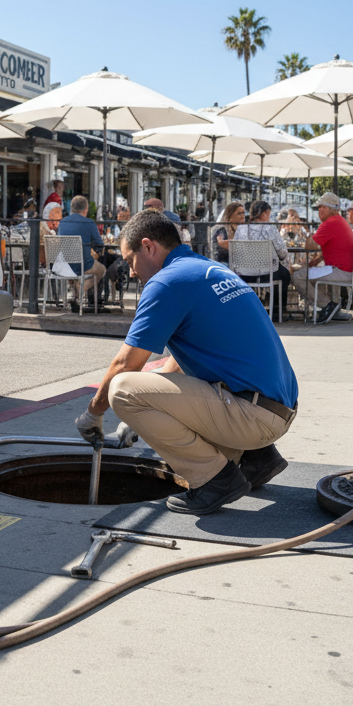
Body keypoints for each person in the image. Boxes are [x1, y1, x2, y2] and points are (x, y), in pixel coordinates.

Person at [74, 210, 298, 514]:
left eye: (130, 260)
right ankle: (256, 458)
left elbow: (125, 365)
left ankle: (216, 480)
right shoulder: (208, 269)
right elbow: (181, 363)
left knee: (123, 390)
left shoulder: (166, 283)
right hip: (276, 409)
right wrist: (143, 415)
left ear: (148, 246)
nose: (131, 272)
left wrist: (93, 413)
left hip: (253, 417)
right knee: (141, 390)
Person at [290, 192, 353, 323]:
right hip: (349, 270)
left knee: (297, 276)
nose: (319, 211)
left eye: (322, 207)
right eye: (319, 208)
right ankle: (332, 309)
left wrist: (306, 231)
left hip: (342, 271)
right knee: (311, 273)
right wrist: (318, 259)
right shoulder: (339, 221)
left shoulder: (330, 223)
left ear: (331, 209)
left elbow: (310, 246)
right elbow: (336, 248)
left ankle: (327, 306)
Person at [231, 199, 292, 319]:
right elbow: (282, 253)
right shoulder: (270, 229)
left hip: (244, 272)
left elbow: (236, 251)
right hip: (266, 272)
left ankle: (246, 310)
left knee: (279, 272)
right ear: (264, 214)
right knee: (284, 274)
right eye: (268, 214)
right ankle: (277, 311)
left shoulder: (241, 229)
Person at [57, 194, 106, 307]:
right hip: (82, 265)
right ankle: (81, 290)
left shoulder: (62, 222)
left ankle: (75, 295)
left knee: (78, 265)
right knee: (102, 269)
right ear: (86, 209)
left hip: (64, 265)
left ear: (71, 208)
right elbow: (99, 245)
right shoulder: (89, 223)